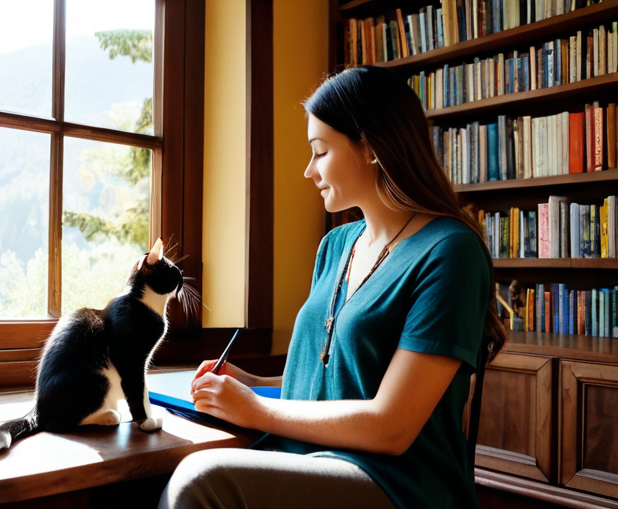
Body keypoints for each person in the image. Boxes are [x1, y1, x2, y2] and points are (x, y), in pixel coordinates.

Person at [158, 66, 506, 509]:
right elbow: (333, 382)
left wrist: (255, 410)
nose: (308, 171)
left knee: (201, 480)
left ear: (373, 148)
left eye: (320, 152)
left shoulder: (449, 252)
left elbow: (390, 425)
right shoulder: (335, 246)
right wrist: (253, 383)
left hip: (396, 483)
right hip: (308, 459)